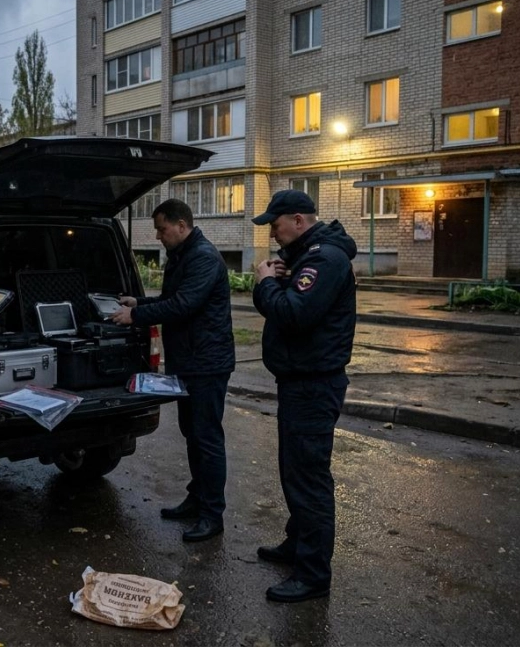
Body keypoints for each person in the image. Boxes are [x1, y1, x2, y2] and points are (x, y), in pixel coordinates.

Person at [250, 189, 357, 603]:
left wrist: (264, 285)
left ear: (298, 220)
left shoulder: (324, 259)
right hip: (300, 381)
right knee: (294, 471)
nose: (273, 235)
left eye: (275, 226)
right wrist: (280, 273)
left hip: (313, 385)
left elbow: (294, 313)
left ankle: (312, 575)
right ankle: (297, 545)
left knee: (309, 480)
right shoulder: (309, 255)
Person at [110, 199, 235, 543]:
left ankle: (212, 515)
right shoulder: (183, 255)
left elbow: (184, 305)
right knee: (192, 434)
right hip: (189, 362)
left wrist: (135, 317)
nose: (158, 235)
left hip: (207, 364)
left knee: (206, 438)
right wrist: (140, 303)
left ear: (182, 225)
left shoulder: (203, 258)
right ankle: (196, 500)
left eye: (162, 229)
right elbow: (170, 297)